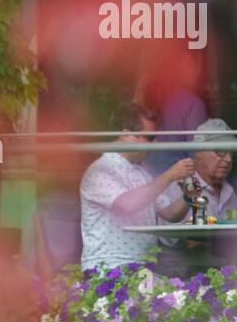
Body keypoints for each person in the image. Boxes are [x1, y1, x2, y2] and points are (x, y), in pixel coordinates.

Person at [79, 103, 194, 271]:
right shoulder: (100, 170)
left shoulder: (141, 172)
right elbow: (128, 204)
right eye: (149, 137)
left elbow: (170, 214)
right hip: (109, 267)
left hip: (141, 267)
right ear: (126, 135)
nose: (154, 144)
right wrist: (170, 175)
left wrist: (188, 196)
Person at [137, 51, 209, 176]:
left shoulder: (140, 98)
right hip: (178, 185)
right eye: (193, 64)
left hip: (143, 182)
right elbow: (199, 158)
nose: (198, 71)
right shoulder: (192, 104)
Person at [164, 118, 237, 218]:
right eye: (220, 151)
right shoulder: (179, 187)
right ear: (199, 150)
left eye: (231, 151)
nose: (228, 159)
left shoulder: (229, 192)